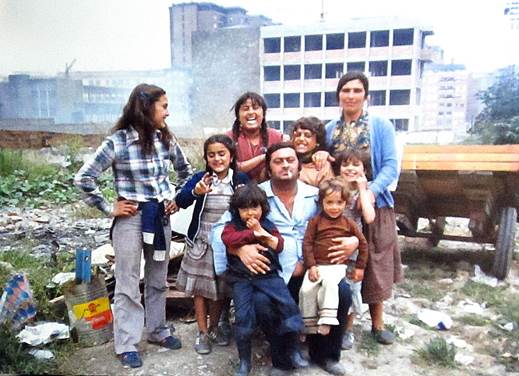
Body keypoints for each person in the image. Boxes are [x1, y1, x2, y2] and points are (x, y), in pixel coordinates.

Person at [213, 142, 358, 376]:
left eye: (290, 160)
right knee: (262, 302)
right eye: (278, 161)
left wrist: (353, 242)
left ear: (299, 165)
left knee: (342, 291)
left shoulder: (314, 195)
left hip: (314, 270)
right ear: (269, 168)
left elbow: (343, 219)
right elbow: (220, 229)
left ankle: (326, 355)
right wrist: (238, 250)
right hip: (274, 273)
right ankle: (282, 360)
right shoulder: (255, 196)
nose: (285, 165)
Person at [74, 83, 192, 368]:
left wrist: (175, 198)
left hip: (160, 217)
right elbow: (83, 178)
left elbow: (186, 172)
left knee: (158, 278)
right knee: (127, 282)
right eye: (163, 105)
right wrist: (108, 206)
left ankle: (157, 330)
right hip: (131, 219)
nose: (168, 111)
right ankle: (127, 343)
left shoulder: (166, 140)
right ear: (147, 107)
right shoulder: (118, 141)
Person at [315, 71, 403, 345]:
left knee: (376, 260)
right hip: (340, 207)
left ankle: (378, 324)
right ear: (338, 95)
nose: (351, 95)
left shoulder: (380, 126)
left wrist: (371, 191)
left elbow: (390, 165)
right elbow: (324, 160)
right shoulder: (330, 129)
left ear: (366, 95)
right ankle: (344, 323)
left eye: (356, 90)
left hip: (371, 203)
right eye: (346, 90)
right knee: (343, 261)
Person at [175, 134, 249, 355]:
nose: (217, 159)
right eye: (211, 155)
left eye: (221, 154)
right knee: (201, 290)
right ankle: (202, 332)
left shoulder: (239, 179)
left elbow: (251, 205)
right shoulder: (201, 178)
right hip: (201, 241)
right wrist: (196, 192)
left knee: (219, 289)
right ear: (206, 158)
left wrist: (242, 195)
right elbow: (180, 201)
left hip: (226, 242)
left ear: (231, 156)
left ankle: (215, 327)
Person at [221, 183, 303, 376]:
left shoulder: (268, 225)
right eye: (244, 208)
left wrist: (262, 233)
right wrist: (252, 233)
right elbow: (228, 240)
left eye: (254, 207)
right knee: (243, 317)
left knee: (288, 306)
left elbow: (279, 245)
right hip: (242, 279)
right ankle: (244, 361)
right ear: (236, 210)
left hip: (269, 276)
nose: (250, 213)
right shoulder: (231, 226)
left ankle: (294, 349)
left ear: (263, 208)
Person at [299, 177, 368, 338]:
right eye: (329, 202)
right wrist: (311, 265)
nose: (334, 207)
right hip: (318, 265)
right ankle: (308, 325)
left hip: (337, 265)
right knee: (306, 290)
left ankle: (327, 319)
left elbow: (363, 244)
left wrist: (360, 267)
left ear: (346, 203)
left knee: (330, 285)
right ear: (321, 202)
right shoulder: (315, 222)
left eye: (339, 203)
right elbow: (307, 244)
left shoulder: (349, 223)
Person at [333, 150, 376, 350]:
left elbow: (368, 217)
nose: (350, 168)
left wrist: (362, 187)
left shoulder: (364, 193)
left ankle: (347, 330)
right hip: (331, 246)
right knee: (332, 289)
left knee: (351, 289)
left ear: (364, 169)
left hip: (353, 250)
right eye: (345, 165)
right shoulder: (333, 188)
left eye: (356, 165)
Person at [227, 92, 284, 183]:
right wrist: (263, 157)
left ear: (263, 113)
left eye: (255, 108)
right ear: (238, 116)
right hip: (237, 190)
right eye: (246, 109)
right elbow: (230, 169)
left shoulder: (276, 137)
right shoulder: (228, 138)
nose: (251, 112)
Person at [291, 116, 334, 187]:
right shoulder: (285, 159)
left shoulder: (322, 165)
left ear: (318, 141)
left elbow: (329, 194)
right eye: (298, 135)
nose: (301, 139)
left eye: (307, 135)